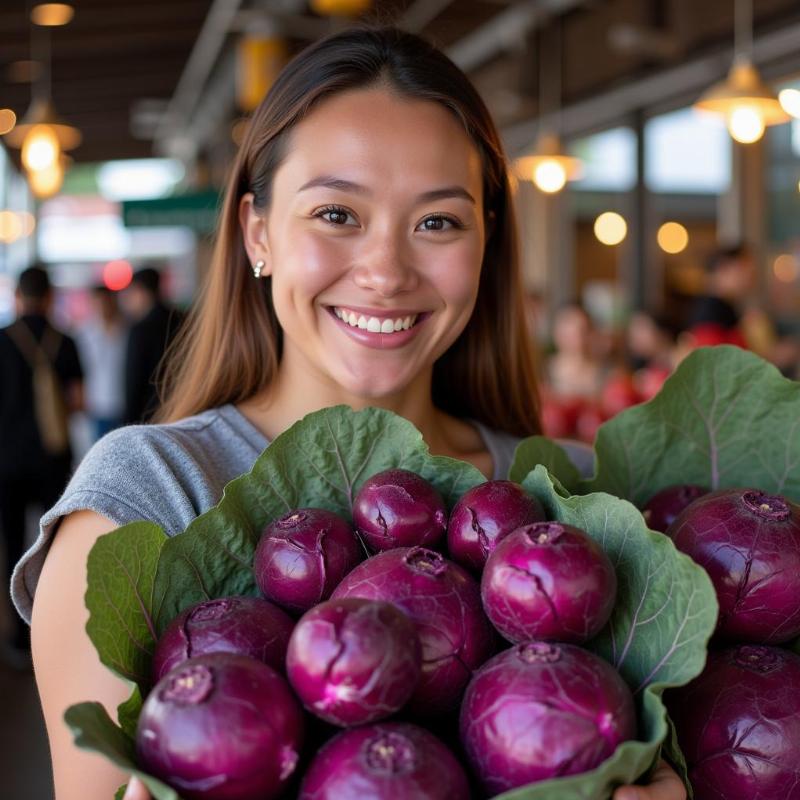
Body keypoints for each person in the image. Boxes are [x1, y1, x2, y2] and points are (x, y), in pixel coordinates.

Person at [10, 27, 685, 800]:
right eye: (337, 213)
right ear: (257, 232)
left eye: (437, 222)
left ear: (487, 242)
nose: (386, 272)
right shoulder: (146, 496)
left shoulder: (584, 503)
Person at [0, 265, 83, 666]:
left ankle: (17, 639)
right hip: (53, 458)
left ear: (18, 295)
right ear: (50, 297)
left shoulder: (1, 340)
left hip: (8, 460)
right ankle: (52, 633)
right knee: (52, 548)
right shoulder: (65, 342)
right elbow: (78, 401)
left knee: (13, 544)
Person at [121, 266, 184, 424]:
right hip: (183, 407)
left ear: (141, 291)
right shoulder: (182, 320)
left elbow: (134, 380)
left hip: (150, 414)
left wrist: (129, 420)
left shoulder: (141, 329)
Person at [76, 285, 128, 443]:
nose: (103, 307)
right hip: (97, 404)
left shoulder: (128, 330)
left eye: (106, 302)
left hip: (124, 403)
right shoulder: (84, 333)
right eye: (98, 303)